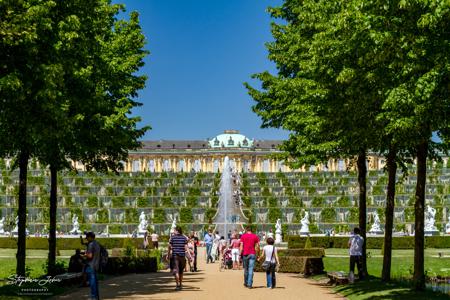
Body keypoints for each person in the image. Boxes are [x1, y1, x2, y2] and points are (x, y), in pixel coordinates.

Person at [168, 226, 188, 290]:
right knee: (181, 271)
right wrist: (189, 256)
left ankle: (177, 285)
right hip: (182, 256)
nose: (173, 231)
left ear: (177, 231)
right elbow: (186, 248)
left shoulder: (172, 238)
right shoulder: (184, 238)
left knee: (176, 271)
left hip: (175, 256)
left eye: (174, 230)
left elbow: (169, 247)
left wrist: (168, 255)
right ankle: (181, 284)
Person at [83, 231, 100, 300]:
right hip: (96, 265)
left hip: (90, 265)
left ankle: (93, 297)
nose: (86, 238)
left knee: (92, 283)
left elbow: (90, 256)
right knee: (95, 283)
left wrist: (84, 255)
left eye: (87, 237)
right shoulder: (96, 244)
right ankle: (96, 297)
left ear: (90, 237)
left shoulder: (91, 244)